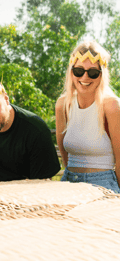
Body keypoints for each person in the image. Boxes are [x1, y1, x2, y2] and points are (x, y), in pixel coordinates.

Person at [55, 41, 120, 193]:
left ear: (101, 75)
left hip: (103, 184)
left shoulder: (111, 106)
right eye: (78, 71)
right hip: (69, 181)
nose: (85, 77)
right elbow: (64, 155)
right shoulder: (63, 104)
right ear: (71, 72)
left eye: (92, 73)